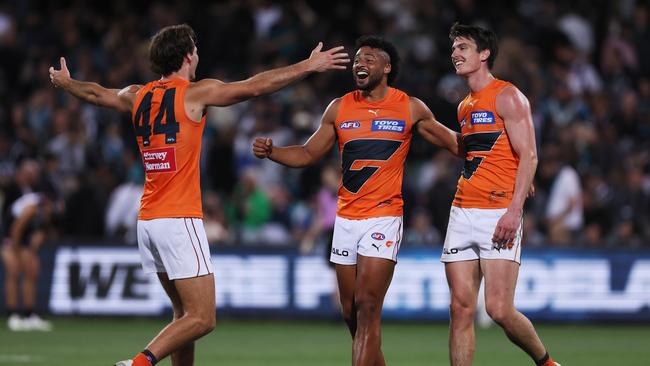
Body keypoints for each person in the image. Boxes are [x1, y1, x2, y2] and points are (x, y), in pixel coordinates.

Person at [49, 23, 349, 366]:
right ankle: (140, 363)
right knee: (203, 318)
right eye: (195, 48)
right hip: (178, 218)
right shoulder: (195, 93)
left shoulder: (137, 94)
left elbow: (95, 93)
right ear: (188, 55)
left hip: (148, 220)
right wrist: (307, 66)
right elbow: (253, 87)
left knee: (183, 316)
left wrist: (66, 83)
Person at [253, 35, 460, 366]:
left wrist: (504, 157)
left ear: (387, 68)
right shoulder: (339, 107)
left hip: (384, 217)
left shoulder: (410, 107)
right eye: (356, 60)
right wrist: (273, 152)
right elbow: (308, 153)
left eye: (369, 59)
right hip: (346, 219)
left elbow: (453, 142)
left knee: (367, 305)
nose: (359, 64)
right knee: (350, 310)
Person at [442, 23, 560, 366]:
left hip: (498, 211)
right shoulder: (464, 105)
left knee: (498, 309)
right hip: (461, 210)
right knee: (460, 308)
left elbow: (530, 155)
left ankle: (546, 362)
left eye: (463, 47)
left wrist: (514, 209)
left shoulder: (507, 95)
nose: (455, 54)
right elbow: (479, 153)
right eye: (453, 48)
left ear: (484, 54)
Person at [1, 159, 54, 332]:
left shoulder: (37, 204)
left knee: (32, 271)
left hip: (22, 239)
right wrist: (16, 250)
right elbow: (16, 227)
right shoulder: (32, 207)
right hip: (9, 238)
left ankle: (30, 314)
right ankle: (13, 315)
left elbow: (37, 231)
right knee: (14, 270)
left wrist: (33, 245)